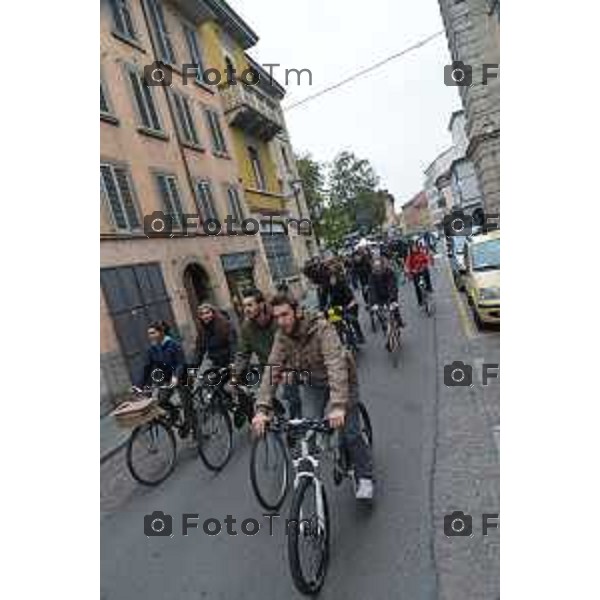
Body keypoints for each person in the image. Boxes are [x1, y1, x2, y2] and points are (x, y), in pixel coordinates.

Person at [251, 293, 375, 500]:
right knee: (309, 428)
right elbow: (272, 370)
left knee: (351, 432)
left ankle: (365, 476)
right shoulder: (281, 336)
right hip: (313, 382)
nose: (281, 321)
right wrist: (262, 409)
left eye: (285, 314)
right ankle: (325, 457)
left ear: (297, 311)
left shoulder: (321, 328)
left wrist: (338, 406)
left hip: (343, 380)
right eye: (277, 317)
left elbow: (335, 365)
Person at [233, 288, 301, 418]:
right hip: (267, 368)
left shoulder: (278, 319)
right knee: (260, 397)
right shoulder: (246, 327)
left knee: (292, 399)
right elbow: (242, 354)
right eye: (243, 306)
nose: (246, 309)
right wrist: (234, 377)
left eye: (250, 305)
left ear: (261, 304)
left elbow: (294, 344)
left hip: (288, 366)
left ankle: (295, 426)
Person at [135, 321, 195, 438]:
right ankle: (175, 413)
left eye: (153, 333)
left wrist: (176, 377)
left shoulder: (173, 345)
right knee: (161, 401)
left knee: (187, 405)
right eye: (149, 334)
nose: (150, 336)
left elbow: (180, 364)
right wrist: (139, 386)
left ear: (161, 332)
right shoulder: (152, 349)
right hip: (166, 379)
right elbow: (146, 369)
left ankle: (195, 432)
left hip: (182, 377)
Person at [323, 265, 366, 344]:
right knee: (336, 322)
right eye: (330, 278)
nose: (332, 280)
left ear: (336, 277)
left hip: (348, 304)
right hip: (336, 307)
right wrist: (325, 307)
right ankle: (341, 338)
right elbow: (324, 300)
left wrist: (351, 303)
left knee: (353, 319)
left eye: (333, 277)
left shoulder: (342, 283)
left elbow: (349, 295)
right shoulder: (327, 287)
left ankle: (360, 335)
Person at [195, 303, 236, 369]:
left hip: (230, 360)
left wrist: (232, 362)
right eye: (202, 314)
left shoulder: (225, 325)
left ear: (213, 313)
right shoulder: (202, 332)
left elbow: (233, 345)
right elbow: (199, 350)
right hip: (216, 363)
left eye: (207, 313)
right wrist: (194, 367)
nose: (205, 316)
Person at [368, 257, 405, 327]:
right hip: (379, 297)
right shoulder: (371, 276)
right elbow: (372, 289)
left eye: (379, 266)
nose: (377, 268)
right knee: (381, 313)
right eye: (375, 266)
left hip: (390, 294)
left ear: (382, 265)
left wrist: (392, 298)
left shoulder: (389, 272)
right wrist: (374, 302)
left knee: (394, 308)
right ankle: (385, 327)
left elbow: (392, 286)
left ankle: (399, 321)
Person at [405, 241, 434, 306]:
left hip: (422, 270)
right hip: (415, 272)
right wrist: (409, 271)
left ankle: (429, 287)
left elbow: (426, 260)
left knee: (426, 272)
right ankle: (420, 301)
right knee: (417, 286)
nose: (414, 248)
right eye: (413, 247)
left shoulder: (421, 253)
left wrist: (424, 265)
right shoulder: (410, 256)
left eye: (415, 247)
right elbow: (407, 265)